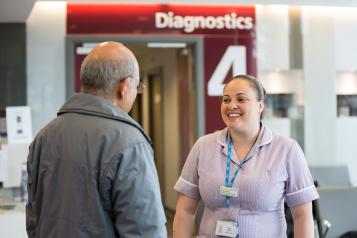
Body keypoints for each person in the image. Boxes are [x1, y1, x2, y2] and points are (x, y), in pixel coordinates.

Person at [26, 41, 167, 238]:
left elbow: (33, 219)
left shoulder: (45, 135)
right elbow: (144, 230)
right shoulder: (129, 142)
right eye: (137, 87)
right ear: (124, 86)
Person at [173, 74, 319, 238]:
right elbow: (185, 211)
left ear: (260, 105)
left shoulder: (286, 149)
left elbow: (303, 217)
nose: (231, 106)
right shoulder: (203, 146)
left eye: (241, 99)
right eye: (226, 100)